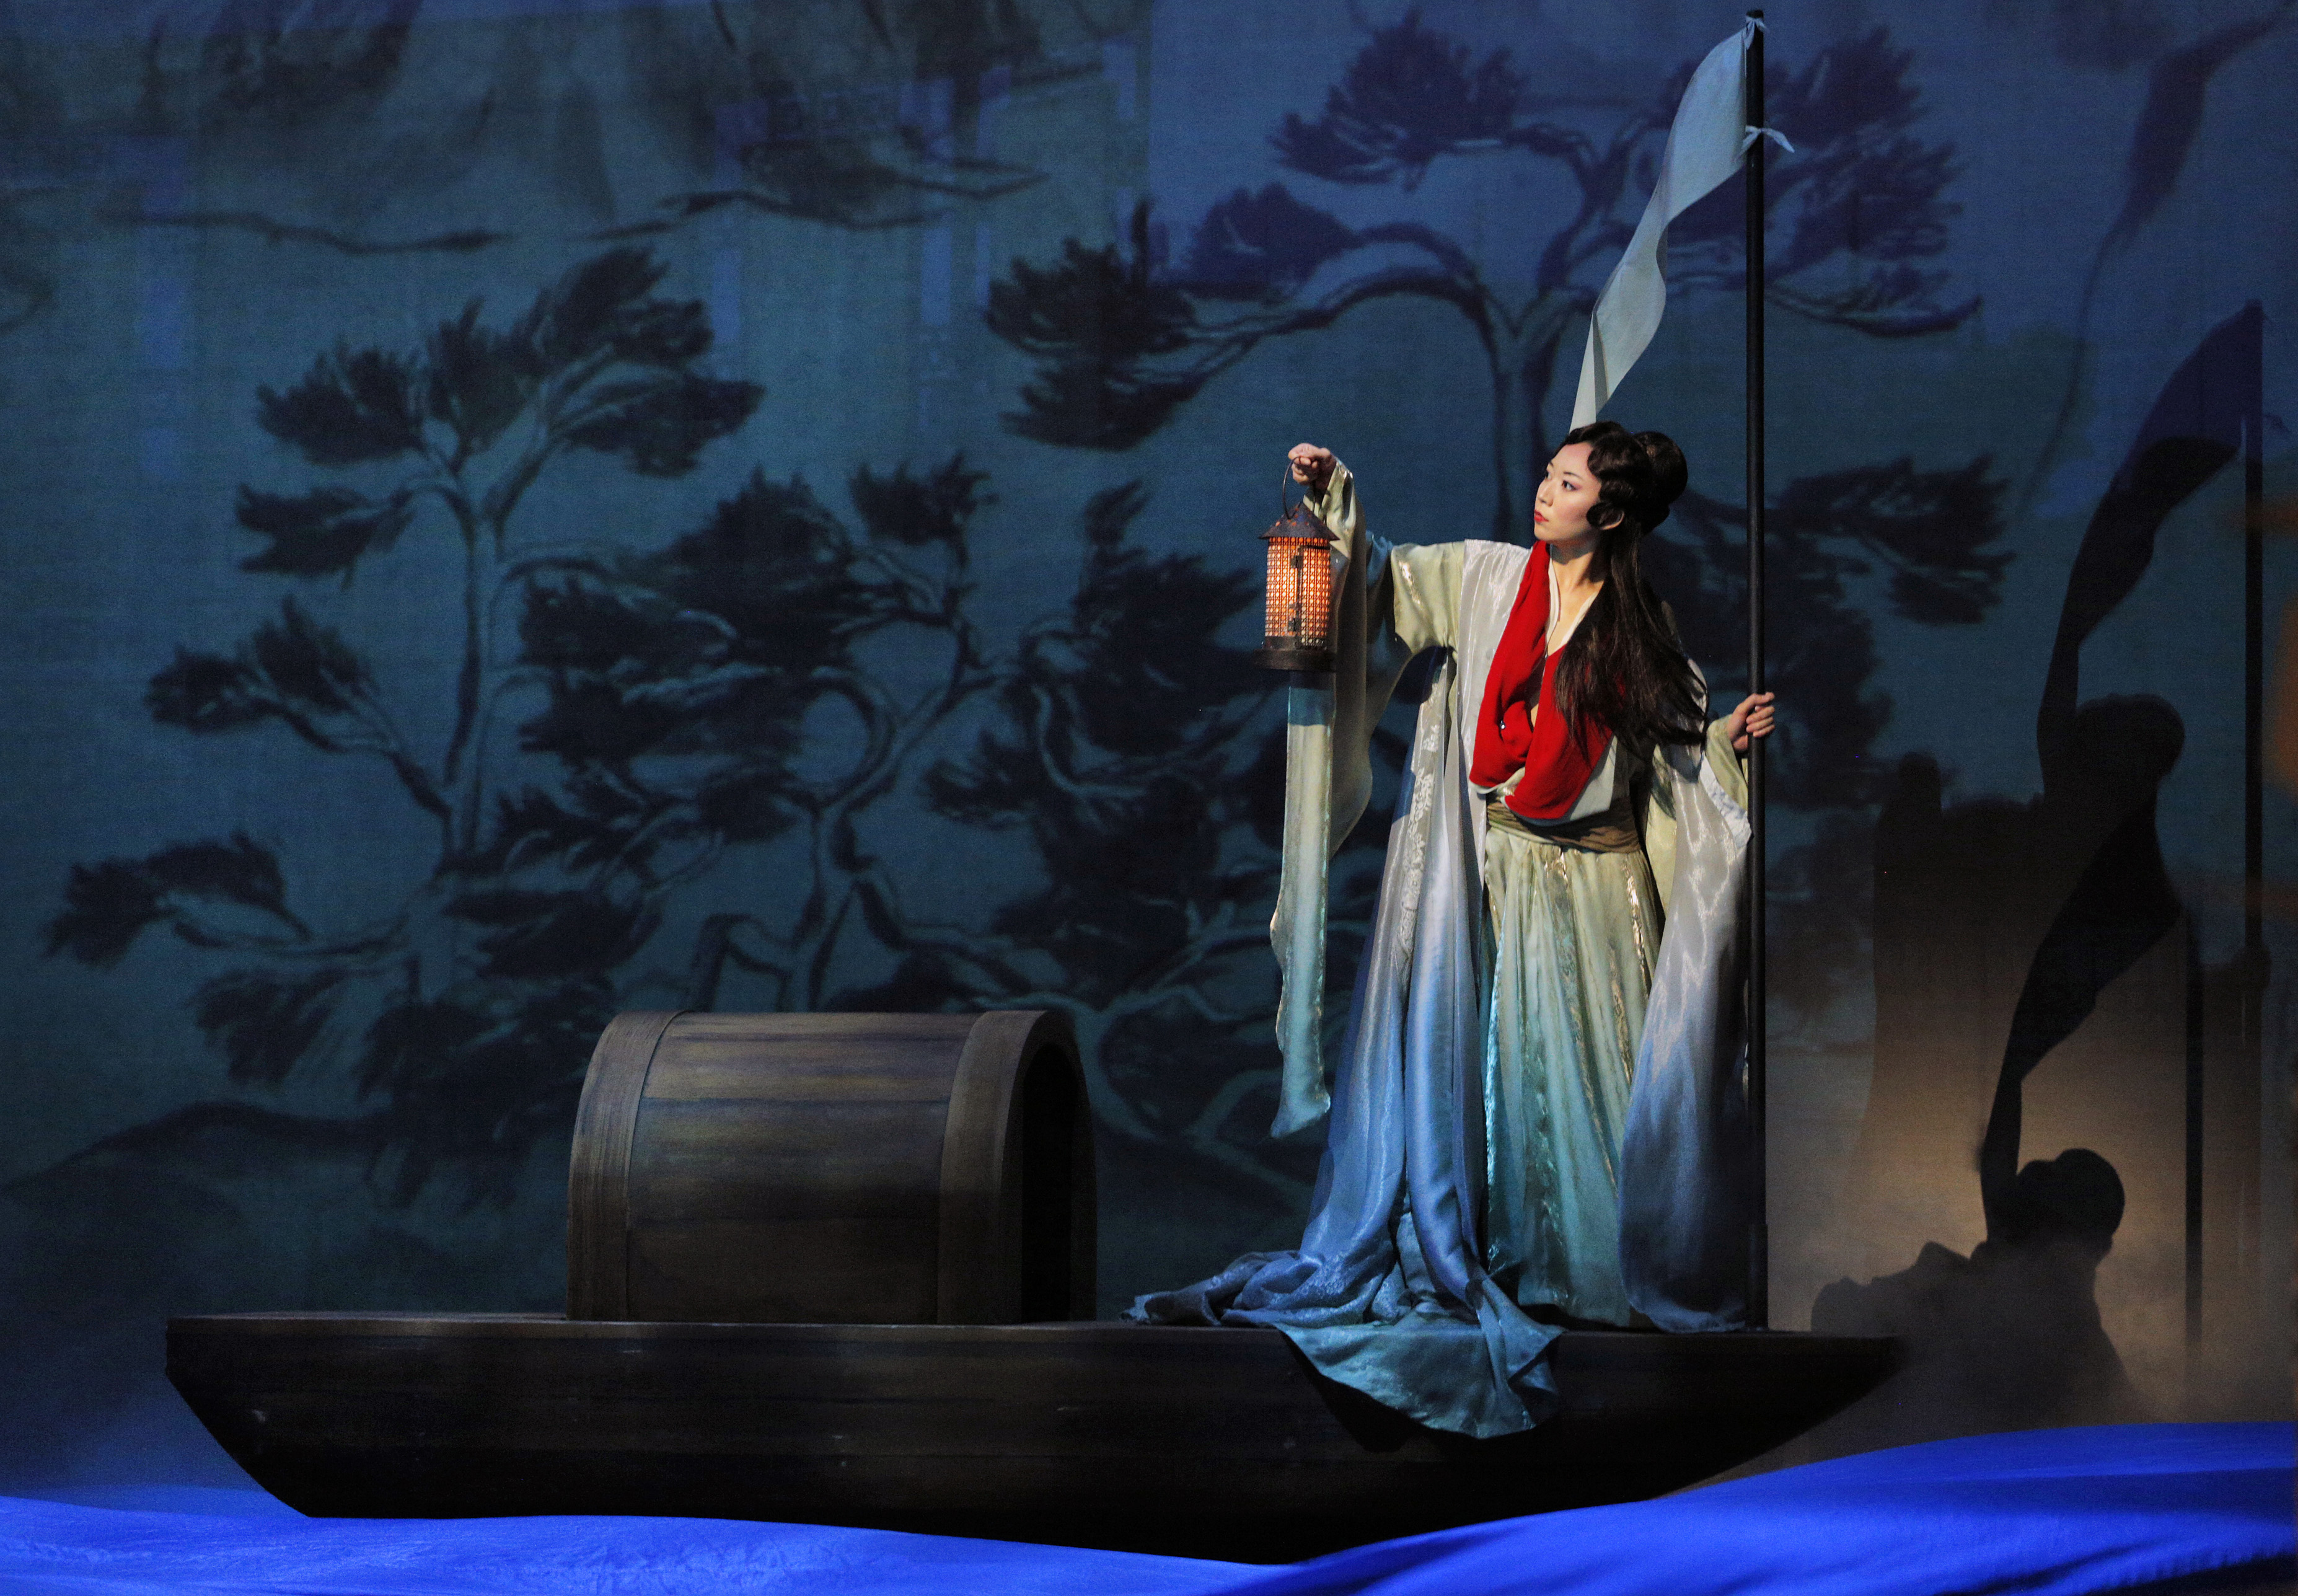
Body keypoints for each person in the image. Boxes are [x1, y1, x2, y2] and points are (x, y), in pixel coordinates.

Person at [1129, 423, 1774, 1438]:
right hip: (1495, 871)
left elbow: (1669, 768)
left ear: (1608, 514)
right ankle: (1504, 1259)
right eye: (1553, 476)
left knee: (1594, 1079)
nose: (1545, 494)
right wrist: (1335, 503)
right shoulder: (1485, 581)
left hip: (1597, 888)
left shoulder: (1643, 635)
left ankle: (1604, 1282)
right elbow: (1383, 584)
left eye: (1567, 485)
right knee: (1496, 1078)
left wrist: (1723, 743)